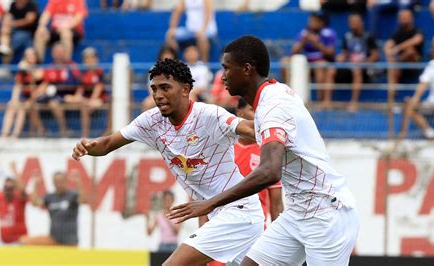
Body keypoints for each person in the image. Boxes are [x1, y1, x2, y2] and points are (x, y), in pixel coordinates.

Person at [167, 35, 359, 266]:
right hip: (298, 213)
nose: (223, 76)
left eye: (227, 68)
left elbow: (270, 172)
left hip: (327, 213)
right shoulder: (271, 97)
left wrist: (211, 203)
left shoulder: (273, 106)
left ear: (247, 69)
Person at [71, 58, 264, 265]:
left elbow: (250, 129)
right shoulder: (151, 121)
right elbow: (108, 143)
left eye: (165, 88)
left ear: (185, 89)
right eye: (154, 89)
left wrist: (282, 124)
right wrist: (90, 146)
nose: (158, 95)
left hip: (238, 213)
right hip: (221, 215)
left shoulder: (209, 115)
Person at [234, 98, 283, 223]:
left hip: (256, 228)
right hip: (222, 229)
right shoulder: (224, 148)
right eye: (252, 110)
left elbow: (276, 204)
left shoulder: (269, 152)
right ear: (239, 113)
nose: (258, 115)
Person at [282, 12, 337, 107]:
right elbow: (293, 52)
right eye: (310, 21)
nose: (311, 23)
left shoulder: (328, 33)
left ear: (321, 23)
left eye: (314, 21)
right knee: (285, 62)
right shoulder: (304, 33)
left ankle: (321, 101)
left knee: (320, 65)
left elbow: (330, 53)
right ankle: (289, 96)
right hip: (306, 63)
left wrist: (316, 43)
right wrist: (303, 41)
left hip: (322, 62)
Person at [20, 171, 86, 245]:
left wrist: (78, 182)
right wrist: (35, 183)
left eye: (61, 181)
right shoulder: (50, 197)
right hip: (54, 239)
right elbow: (35, 203)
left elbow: (82, 201)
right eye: (56, 182)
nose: (59, 184)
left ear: (66, 181)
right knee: (24, 241)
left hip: (70, 241)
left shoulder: (72, 195)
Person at [332, 13, 379, 112]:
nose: (353, 24)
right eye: (351, 22)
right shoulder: (347, 36)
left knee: (357, 70)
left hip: (364, 68)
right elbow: (344, 54)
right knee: (330, 70)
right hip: (349, 66)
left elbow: (375, 55)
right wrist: (339, 58)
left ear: (361, 23)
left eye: (356, 22)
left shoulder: (369, 36)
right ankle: (326, 101)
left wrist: (364, 62)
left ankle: (354, 102)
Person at [35, 42, 81, 136]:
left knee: (55, 103)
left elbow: (80, 83)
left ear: (64, 53)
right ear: (52, 53)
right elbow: (45, 82)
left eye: (60, 52)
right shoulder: (50, 68)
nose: (58, 54)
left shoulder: (72, 66)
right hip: (53, 96)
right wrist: (40, 91)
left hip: (67, 95)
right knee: (32, 104)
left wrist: (77, 95)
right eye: (56, 52)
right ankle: (42, 131)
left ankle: (65, 130)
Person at [0, 47, 43, 139]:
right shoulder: (22, 72)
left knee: (22, 108)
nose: (30, 57)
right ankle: (4, 135)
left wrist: (27, 69)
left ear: (36, 56)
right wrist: (14, 99)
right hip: (26, 98)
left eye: (32, 54)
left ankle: (15, 135)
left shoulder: (41, 68)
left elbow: (38, 77)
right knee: (12, 106)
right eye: (28, 55)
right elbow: (17, 86)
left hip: (39, 98)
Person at [64, 47, 107, 138]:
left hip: (99, 100)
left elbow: (98, 88)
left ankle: (86, 134)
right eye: (87, 58)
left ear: (96, 59)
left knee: (87, 105)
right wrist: (78, 98)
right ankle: (84, 134)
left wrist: (90, 100)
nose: (89, 61)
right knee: (68, 98)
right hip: (86, 101)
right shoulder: (82, 74)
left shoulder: (99, 72)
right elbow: (80, 91)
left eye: (92, 58)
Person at [384, 9, 424, 103]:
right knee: (393, 68)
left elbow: (417, 40)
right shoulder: (397, 33)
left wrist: (397, 49)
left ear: (412, 18)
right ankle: (391, 101)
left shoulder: (417, 31)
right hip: (400, 66)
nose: (404, 19)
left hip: (415, 64)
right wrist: (388, 51)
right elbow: (388, 45)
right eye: (402, 17)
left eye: (406, 17)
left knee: (410, 50)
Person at [142, 45, 178, 111]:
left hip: (175, 95)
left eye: (169, 54)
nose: (168, 56)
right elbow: (151, 87)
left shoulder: (179, 69)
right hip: (159, 95)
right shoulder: (154, 69)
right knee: (147, 103)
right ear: (161, 55)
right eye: (165, 54)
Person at [0, 171, 28, 244]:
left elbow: (23, 191)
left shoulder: (19, 197)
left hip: (19, 241)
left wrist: (15, 171)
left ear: (15, 188)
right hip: (3, 241)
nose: (8, 191)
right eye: (6, 188)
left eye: (11, 189)